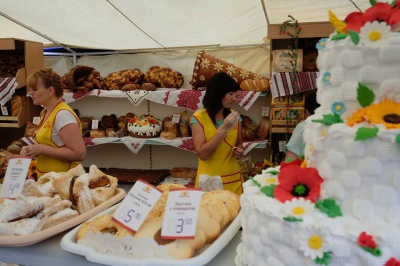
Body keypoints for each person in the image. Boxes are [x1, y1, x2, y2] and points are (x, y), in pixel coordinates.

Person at [20, 68, 86, 177]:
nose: (30, 93)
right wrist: (31, 150)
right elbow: (51, 144)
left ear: (50, 91)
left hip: (64, 180)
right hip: (51, 181)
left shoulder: (62, 115)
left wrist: (42, 149)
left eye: (35, 89)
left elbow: (79, 153)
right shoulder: (45, 112)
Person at [190, 72, 245, 196]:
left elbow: (239, 143)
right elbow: (203, 154)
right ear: (217, 92)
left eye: (234, 94)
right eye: (230, 94)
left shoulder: (235, 117)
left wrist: (240, 150)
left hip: (233, 179)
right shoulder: (198, 118)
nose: (234, 99)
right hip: (209, 180)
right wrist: (224, 128)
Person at [284, 90, 320, 161]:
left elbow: (290, 160)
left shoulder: (303, 127)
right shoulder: (340, 126)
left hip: (308, 170)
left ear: (307, 112)